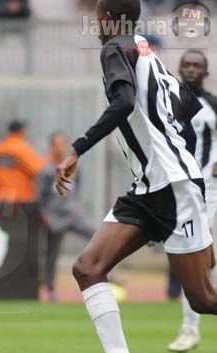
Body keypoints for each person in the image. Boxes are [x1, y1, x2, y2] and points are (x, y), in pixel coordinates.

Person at [56, 1, 215, 352]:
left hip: (172, 186)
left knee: (204, 299)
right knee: (88, 267)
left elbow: (124, 102)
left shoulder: (115, 46)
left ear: (109, 19)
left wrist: (78, 148)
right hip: (151, 187)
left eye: (97, 17)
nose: (95, 24)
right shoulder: (146, 51)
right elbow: (187, 106)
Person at [168, 49, 217, 352]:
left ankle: (189, 328)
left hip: (210, 190)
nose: (190, 69)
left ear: (205, 72)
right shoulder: (167, 99)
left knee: (199, 259)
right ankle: (190, 328)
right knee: (198, 261)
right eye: (186, 64)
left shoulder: (212, 105)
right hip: (178, 189)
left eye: (196, 65)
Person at [37, 132, 97, 301]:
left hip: (73, 214)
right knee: (52, 254)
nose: (61, 148)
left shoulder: (74, 168)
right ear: (51, 147)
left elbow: (77, 190)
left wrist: (77, 206)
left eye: (63, 144)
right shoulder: (46, 171)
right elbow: (39, 198)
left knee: (98, 235)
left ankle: (103, 274)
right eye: (57, 144)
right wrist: (45, 217)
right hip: (55, 218)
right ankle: (49, 289)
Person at [0, 120, 46, 203]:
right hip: (21, 199)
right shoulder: (23, 148)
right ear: (22, 131)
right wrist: (50, 157)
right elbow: (38, 170)